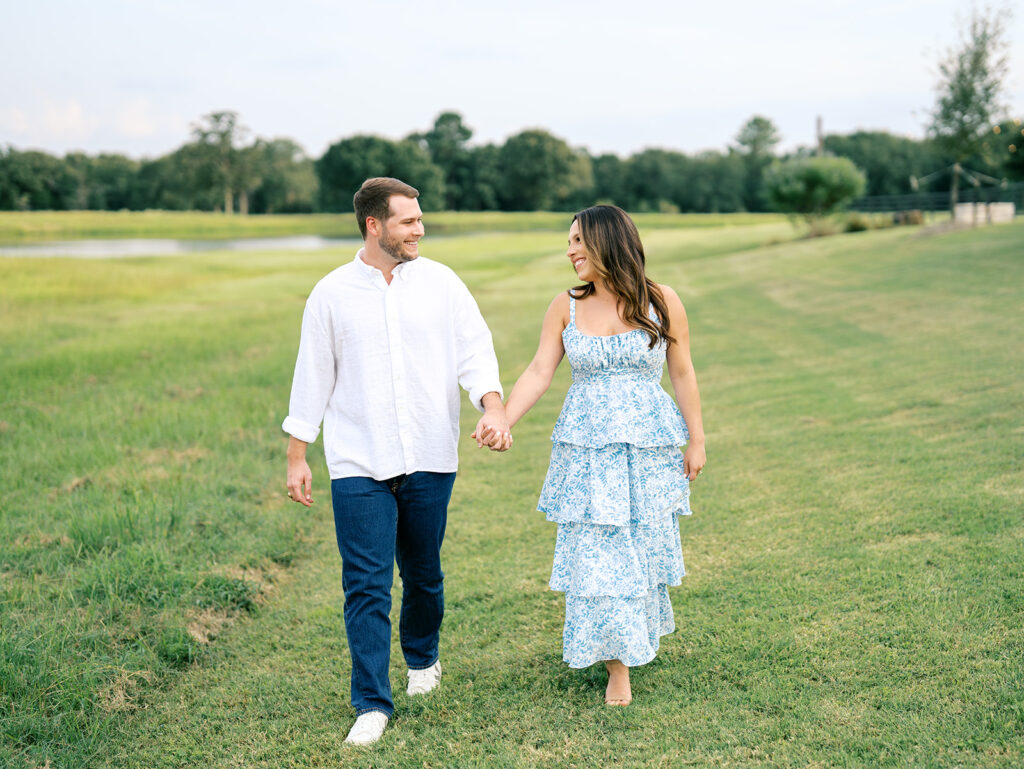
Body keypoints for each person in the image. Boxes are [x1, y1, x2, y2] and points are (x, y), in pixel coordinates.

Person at [282, 177, 511, 746]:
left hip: (431, 453)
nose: (420, 229)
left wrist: (493, 406)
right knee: (365, 584)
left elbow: (475, 352)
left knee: (424, 574)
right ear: (374, 226)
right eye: (408, 221)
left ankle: (423, 658)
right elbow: (313, 378)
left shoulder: (442, 283)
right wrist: (297, 456)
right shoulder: (330, 294)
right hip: (358, 460)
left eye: (419, 218)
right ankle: (370, 704)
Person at [493, 204, 705, 706]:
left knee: (639, 548)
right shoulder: (564, 305)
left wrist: (697, 439)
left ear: (606, 241)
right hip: (586, 451)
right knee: (598, 554)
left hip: (647, 448)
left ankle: (631, 638)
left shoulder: (661, 300)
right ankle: (618, 668)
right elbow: (540, 370)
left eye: (577, 242)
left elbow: (683, 372)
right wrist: (503, 417)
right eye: (568, 243)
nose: (569, 252)